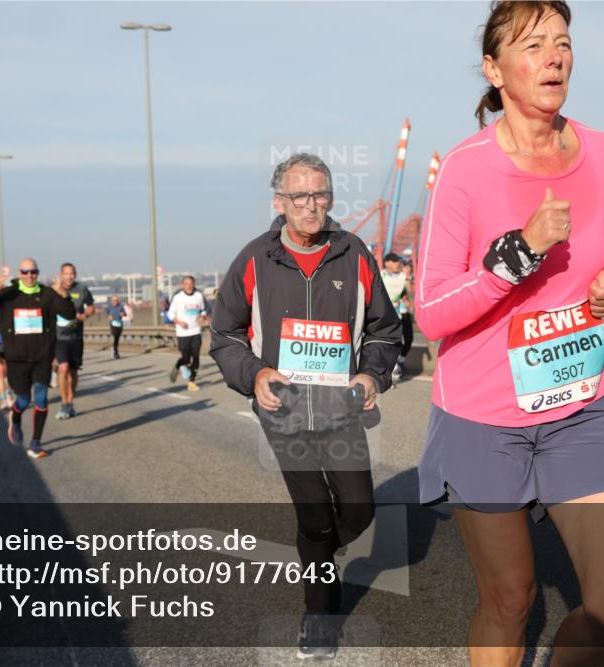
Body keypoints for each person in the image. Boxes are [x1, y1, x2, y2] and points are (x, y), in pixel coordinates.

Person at [415, 3, 604, 665]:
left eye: (563, 43)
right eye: (533, 45)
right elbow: (431, 309)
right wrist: (519, 251)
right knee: (511, 598)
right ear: (494, 70)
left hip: (581, 404)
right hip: (483, 417)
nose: (554, 56)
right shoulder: (466, 169)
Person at [210, 153, 401, 659]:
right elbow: (223, 333)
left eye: (319, 195)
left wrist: (371, 373)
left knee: (358, 514)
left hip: (342, 409)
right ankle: (318, 616)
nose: (310, 206)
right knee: (315, 515)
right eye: (300, 196)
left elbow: (386, 329)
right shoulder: (254, 259)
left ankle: (318, 553)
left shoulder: (354, 253)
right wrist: (255, 375)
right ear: (280, 202)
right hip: (285, 410)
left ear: (331, 199)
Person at [0, 258, 75, 460]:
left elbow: (70, 313)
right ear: (20, 273)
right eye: (25, 272)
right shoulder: (9, 294)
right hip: (16, 359)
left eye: (33, 272)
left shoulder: (47, 294)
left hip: (41, 358)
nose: (30, 276)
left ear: (37, 273)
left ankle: (36, 443)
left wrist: (61, 292)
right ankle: (15, 417)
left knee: (41, 398)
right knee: (23, 399)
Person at [54, 263, 96, 418]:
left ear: (75, 274)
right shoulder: (55, 290)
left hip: (76, 337)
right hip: (59, 337)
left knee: (73, 371)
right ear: (61, 274)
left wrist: (85, 315)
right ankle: (64, 404)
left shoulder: (82, 289)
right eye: (66, 273)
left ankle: (70, 402)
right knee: (63, 368)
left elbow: (91, 307)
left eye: (71, 273)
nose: (69, 276)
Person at [167, 276, 207, 391]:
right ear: (182, 285)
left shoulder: (199, 296)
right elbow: (170, 314)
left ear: (194, 284)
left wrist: (202, 316)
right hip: (182, 333)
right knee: (185, 358)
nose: (189, 286)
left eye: (191, 283)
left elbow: (203, 309)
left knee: (196, 357)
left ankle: (192, 381)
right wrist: (179, 322)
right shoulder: (178, 298)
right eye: (186, 284)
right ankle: (177, 366)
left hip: (195, 331)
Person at [380, 253, 414, 380]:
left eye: (398, 261)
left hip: (398, 314)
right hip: (384, 314)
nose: (397, 264)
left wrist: (407, 277)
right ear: (387, 263)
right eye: (394, 261)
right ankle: (392, 369)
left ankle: (396, 365)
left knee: (404, 339)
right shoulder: (380, 274)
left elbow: (408, 292)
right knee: (389, 342)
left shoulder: (402, 276)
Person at [105, 295, 126, 359]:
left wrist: (122, 314)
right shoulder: (109, 307)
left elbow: (125, 313)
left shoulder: (121, 306)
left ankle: (115, 349)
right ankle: (115, 352)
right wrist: (109, 317)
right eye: (114, 300)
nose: (115, 302)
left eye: (116, 300)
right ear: (112, 301)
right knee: (115, 337)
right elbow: (107, 314)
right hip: (113, 324)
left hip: (120, 324)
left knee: (117, 338)